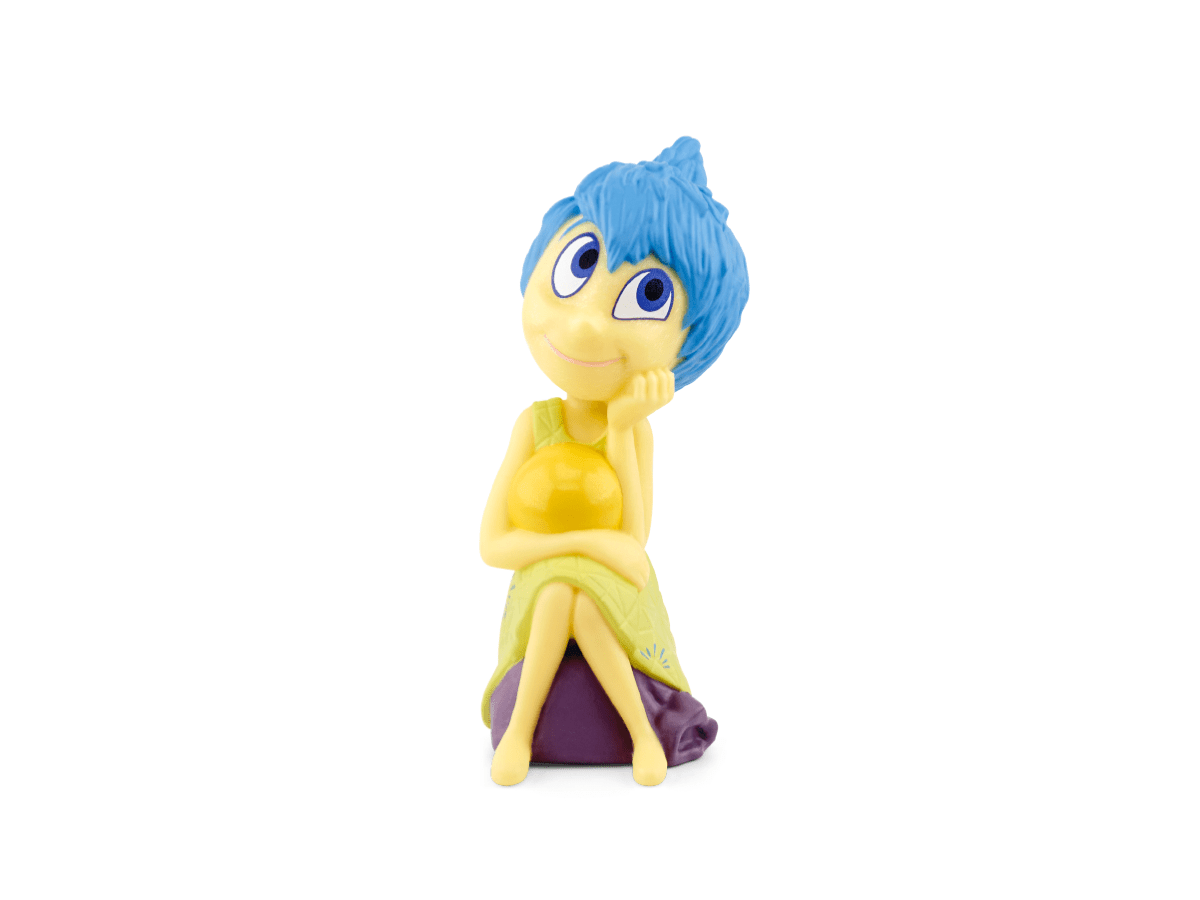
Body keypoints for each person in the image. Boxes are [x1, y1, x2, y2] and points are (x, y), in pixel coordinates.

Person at [479, 137, 749, 786]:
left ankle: (541, 736)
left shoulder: (633, 430)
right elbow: (493, 544)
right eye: (580, 264)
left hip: (618, 594)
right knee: (559, 588)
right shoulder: (534, 425)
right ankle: (624, 736)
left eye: (647, 294)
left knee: (576, 596)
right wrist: (580, 545)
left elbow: (633, 540)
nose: (586, 326)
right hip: (543, 588)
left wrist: (625, 427)